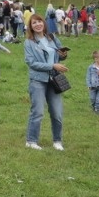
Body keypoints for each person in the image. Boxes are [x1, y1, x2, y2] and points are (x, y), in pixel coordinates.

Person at [23, 13, 69, 151]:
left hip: (54, 79)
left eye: (39, 22)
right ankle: (31, 141)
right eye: (34, 23)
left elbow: (59, 55)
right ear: (30, 27)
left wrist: (63, 55)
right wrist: (52, 66)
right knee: (37, 111)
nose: (37, 24)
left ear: (44, 23)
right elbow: (31, 63)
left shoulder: (52, 38)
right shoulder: (29, 42)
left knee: (57, 112)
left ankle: (57, 141)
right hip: (38, 80)